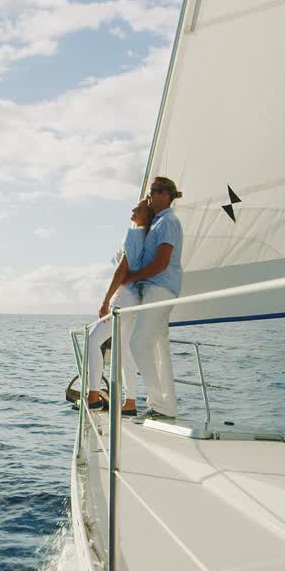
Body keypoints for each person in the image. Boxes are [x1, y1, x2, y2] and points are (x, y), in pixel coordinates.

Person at [83, 198, 152, 414]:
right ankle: (130, 403)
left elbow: (121, 270)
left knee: (93, 340)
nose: (133, 210)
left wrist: (106, 300)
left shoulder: (133, 235)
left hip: (123, 298)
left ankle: (93, 395)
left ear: (146, 214)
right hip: (137, 301)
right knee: (125, 352)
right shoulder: (149, 238)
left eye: (138, 208)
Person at [123, 176, 183, 419]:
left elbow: (162, 262)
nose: (151, 195)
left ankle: (158, 404)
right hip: (158, 290)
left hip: (160, 290)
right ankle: (167, 406)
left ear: (167, 195)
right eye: (151, 191)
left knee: (137, 344)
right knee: (159, 350)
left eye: (156, 191)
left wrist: (132, 276)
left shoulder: (168, 222)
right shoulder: (158, 222)